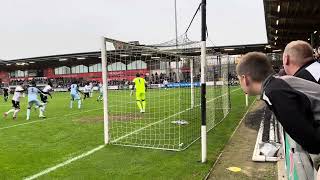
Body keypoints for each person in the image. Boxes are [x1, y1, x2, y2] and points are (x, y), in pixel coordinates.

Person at [236, 52, 320, 154]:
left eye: (239, 79)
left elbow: (310, 140)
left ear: (245, 79)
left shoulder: (274, 92)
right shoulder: (280, 82)